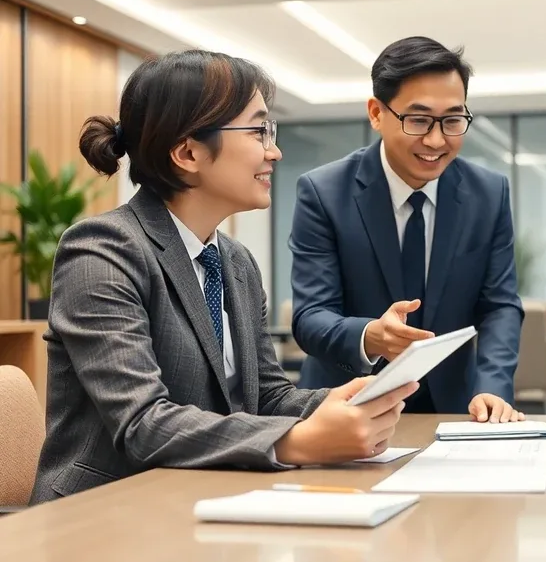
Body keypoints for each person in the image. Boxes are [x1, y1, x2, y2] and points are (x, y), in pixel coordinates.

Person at [30, 49, 416, 504]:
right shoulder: (102, 250)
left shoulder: (235, 261)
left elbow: (265, 397)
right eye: (258, 130)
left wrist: (342, 404)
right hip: (104, 512)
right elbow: (143, 424)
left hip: (204, 498)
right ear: (188, 152)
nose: (275, 150)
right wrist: (297, 441)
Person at [289, 36, 525, 423]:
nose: (436, 140)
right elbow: (311, 315)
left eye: (452, 120)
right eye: (418, 120)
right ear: (376, 113)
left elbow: (500, 306)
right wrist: (369, 336)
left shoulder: (489, 193)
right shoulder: (324, 192)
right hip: (350, 405)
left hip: (456, 407)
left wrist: (492, 386)